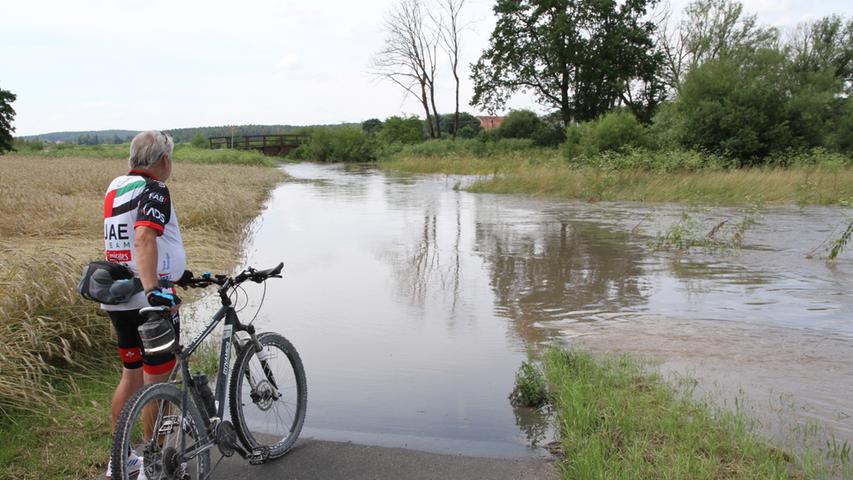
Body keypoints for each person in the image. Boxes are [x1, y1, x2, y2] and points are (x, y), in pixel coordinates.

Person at [102, 130, 189, 479]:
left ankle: (120, 458)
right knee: (159, 383)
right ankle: (157, 464)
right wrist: (155, 290)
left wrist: (176, 268)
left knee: (131, 375)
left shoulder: (116, 186)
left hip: (119, 297)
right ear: (163, 159)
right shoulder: (155, 188)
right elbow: (143, 237)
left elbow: (127, 236)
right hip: (146, 301)